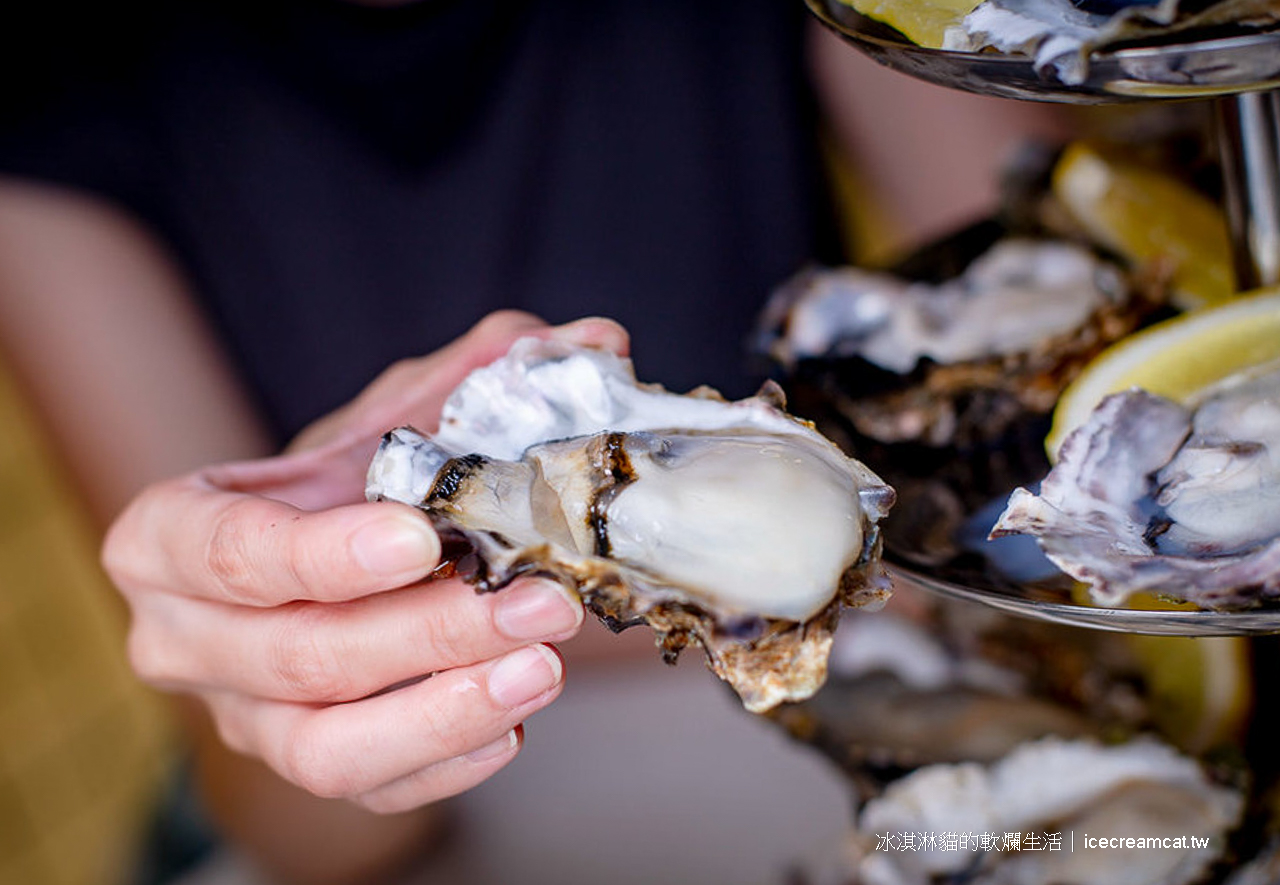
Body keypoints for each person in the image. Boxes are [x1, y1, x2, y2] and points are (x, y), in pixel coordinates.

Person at [0, 2, 1067, 883]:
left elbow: (1053, 401)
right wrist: (289, 664)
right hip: (438, 802)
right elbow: (314, 837)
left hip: (856, 696)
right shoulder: (57, 95)